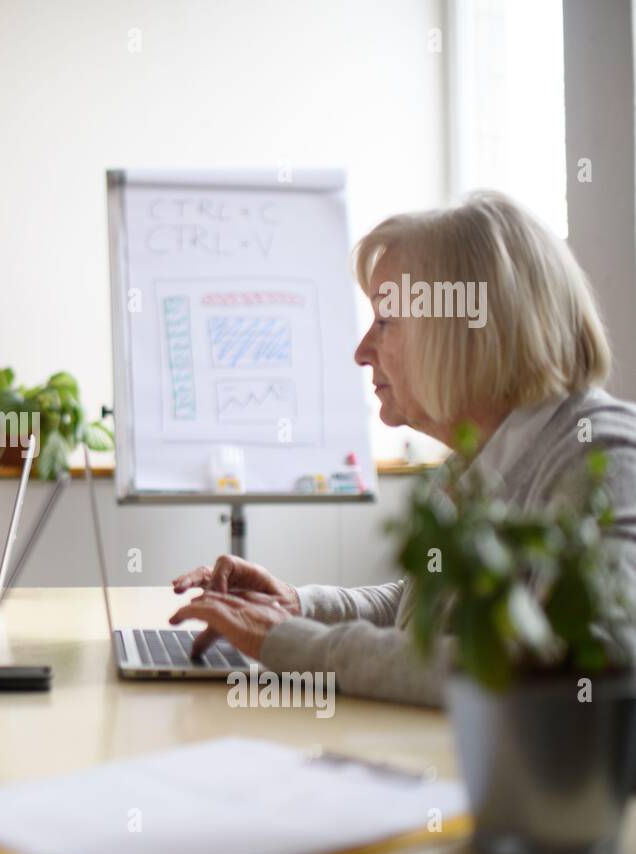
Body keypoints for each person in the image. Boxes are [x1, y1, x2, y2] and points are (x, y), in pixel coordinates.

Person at [169, 192, 636, 707]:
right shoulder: (472, 465)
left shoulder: (605, 456)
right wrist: (297, 607)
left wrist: (289, 643)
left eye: (386, 321)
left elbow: (575, 667)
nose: (362, 350)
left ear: (466, 330)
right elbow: (424, 611)